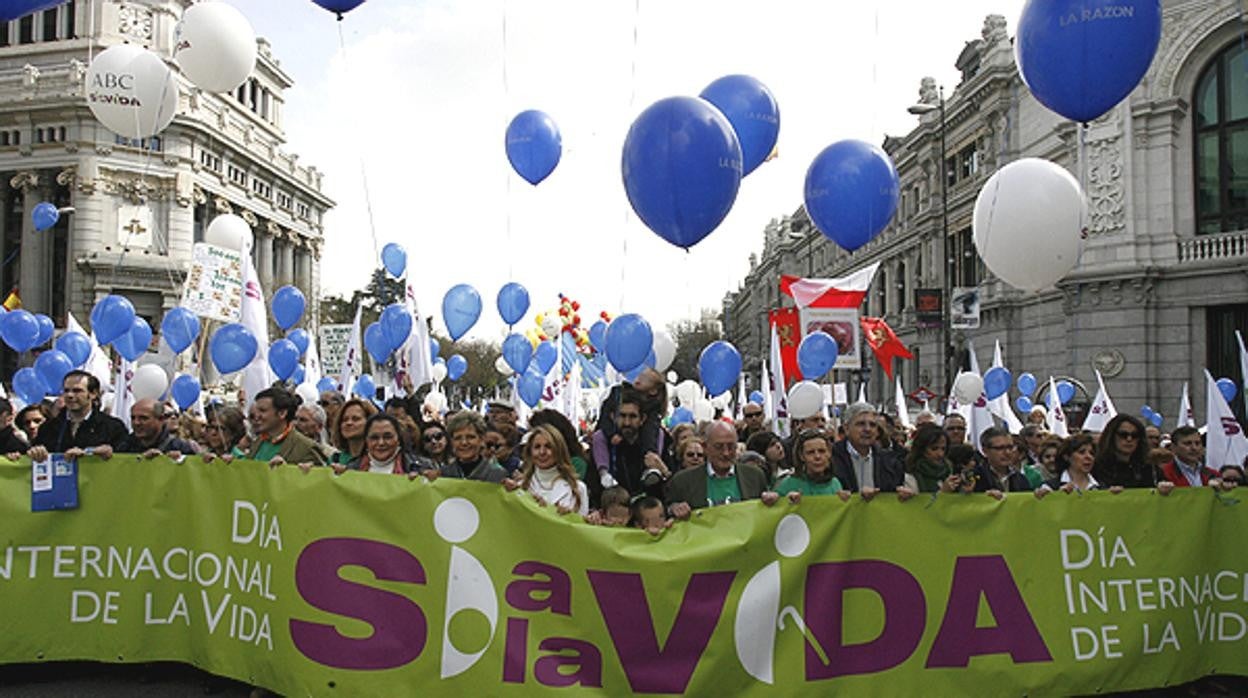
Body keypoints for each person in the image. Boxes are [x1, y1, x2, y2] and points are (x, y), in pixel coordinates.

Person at [665, 420, 771, 513]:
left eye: (731, 447)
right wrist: (674, 508)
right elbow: (667, 512)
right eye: (719, 447)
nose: (726, 453)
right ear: (705, 447)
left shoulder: (754, 476)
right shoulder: (683, 481)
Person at [29, 370, 128, 462]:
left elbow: (126, 459)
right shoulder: (48, 428)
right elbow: (32, 456)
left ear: (93, 394)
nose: (70, 395)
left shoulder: (113, 427)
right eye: (66, 390)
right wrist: (36, 452)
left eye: (77, 391)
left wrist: (109, 452)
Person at [591, 388, 667, 497]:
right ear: (613, 417)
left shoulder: (653, 439)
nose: (627, 422)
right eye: (622, 416)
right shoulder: (604, 442)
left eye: (632, 416)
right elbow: (593, 483)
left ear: (642, 419)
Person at [830, 402, 911, 499]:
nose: (867, 429)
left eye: (872, 425)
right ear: (846, 428)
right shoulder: (831, 458)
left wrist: (903, 494)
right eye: (861, 424)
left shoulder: (890, 461)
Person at [505, 424, 588, 515]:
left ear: (559, 450)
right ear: (530, 452)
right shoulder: (520, 487)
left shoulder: (578, 489)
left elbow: (581, 527)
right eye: (537, 447)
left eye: (548, 446)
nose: (542, 452)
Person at [239, 387, 327, 467]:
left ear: (282, 413)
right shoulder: (257, 442)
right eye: (256, 410)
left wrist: (287, 472)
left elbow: (317, 482)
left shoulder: (306, 448)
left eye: (262, 410)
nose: (256, 416)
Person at [1093, 414, 1167, 491]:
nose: (1129, 439)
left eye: (1134, 435)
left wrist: (1164, 487)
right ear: (1112, 436)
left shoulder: (1150, 468)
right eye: (1123, 435)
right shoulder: (1096, 466)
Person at [430, 410, 507, 482]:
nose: (464, 443)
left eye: (470, 437)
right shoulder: (442, 475)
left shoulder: (497, 475)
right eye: (458, 438)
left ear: (481, 439)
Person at [774, 429, 847, 499]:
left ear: (829, 453)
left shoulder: (835, 483)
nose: (817, 457)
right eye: (811, 452)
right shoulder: (788, 485)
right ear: (801, 456)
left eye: (822, 451)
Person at [342, 413, 420, 475]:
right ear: (366, 441)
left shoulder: (421, 469)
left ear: (398, 439)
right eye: (374, 438)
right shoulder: (350, 471)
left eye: (388, 437)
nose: (381, 443)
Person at [117, 399, 199, 457]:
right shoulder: (124, 447)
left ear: (161, 419)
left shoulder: (180, 447)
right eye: (133, 418)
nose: (136, 423)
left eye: (143, 418)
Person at [972, 427, 1034, 497]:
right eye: (1000, 448)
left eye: (1010, 447)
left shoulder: (1021, 479)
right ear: (985, 451)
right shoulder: (975, 477)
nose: (1007, 452)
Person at [328, 398, 376, 467]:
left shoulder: (378, 460)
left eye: (356, 419)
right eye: (345, 419)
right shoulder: (334, 459)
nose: (349, 423)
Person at [905, 423, 950, 493]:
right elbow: (919, 504)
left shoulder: (949, 471)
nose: (940, 454)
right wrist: (943, 493)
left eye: (943, 449)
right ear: (922, 449)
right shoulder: (912, 477)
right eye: (934, 448)